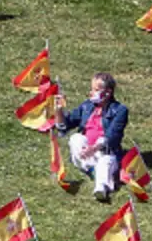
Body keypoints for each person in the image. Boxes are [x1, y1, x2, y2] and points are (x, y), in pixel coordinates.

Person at [55, 72, 129, 201]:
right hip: (86, 150)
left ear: (108, 92)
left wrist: (94, 148)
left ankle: (100, 189)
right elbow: (64, 126)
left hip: (105, 151)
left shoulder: (120, 110)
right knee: (75, 138)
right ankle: (94, 170)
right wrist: (58, 110)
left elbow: (113, 136)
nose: (91, 93)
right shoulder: (87, 106)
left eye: (95, 90)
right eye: (92, 89)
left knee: (105, 161)